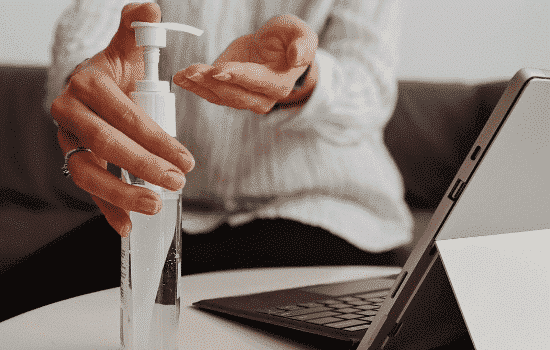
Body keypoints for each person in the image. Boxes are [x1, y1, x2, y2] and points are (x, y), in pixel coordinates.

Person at [1, 0, 412, 321]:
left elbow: (370, 89)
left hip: (327, 215)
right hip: (168, 205)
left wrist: (299, 77)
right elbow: (86, 44)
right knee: (18, 302)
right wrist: (89, 86)